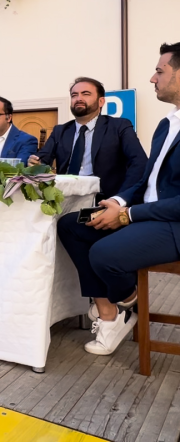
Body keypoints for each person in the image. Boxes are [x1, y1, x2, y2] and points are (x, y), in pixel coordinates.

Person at [57, 43, 180, 356]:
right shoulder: (168, 123)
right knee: (72, 224)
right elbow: (147, 177)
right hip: (142, 213)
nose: (153, 78)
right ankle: (112, 310)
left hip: (169, 222)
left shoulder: (120, 126)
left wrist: (129, 215)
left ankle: (123, 305)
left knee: (103, 253)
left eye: (160, 71)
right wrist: (120, 202)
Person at [28, 77, 147, 199]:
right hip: (66, 198)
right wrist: (36, 163)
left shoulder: (119, 126)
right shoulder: (60, 131)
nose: (78, 98)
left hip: (104, 200)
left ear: (101, 102)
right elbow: (43, 159)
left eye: (86, 94)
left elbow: (139, 163)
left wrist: (121, 198)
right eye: (74, 95)